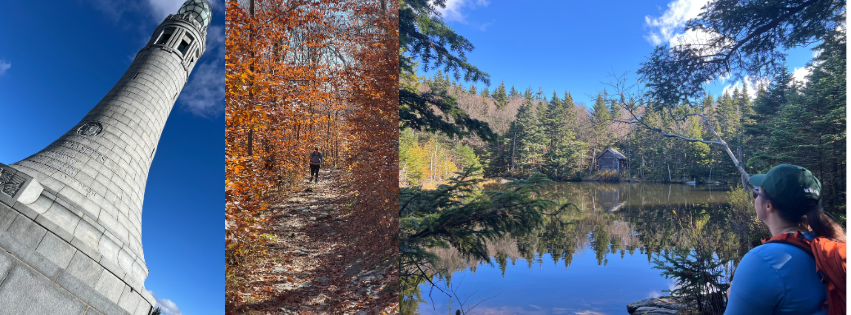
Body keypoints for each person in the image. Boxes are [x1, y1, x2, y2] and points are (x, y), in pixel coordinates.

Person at [725, 164, 845, 314]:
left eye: (756, 193)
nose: (754, 197)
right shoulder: (833, 242)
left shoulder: (762, 261)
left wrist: (737, 299)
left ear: (768, 206)